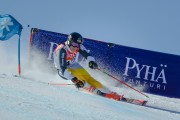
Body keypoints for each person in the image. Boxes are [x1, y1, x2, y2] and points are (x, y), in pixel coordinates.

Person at [53, 32, 123, 101]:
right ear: (69, 42)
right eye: (74, 44)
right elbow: (63, 69)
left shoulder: (78, 46)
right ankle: (97, 92)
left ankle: (110, 93)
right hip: (62, 70)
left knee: (89, 78)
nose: (76, 47)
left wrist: (91, 62)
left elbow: (87, 55)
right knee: (79, 80)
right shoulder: (62, 50)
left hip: (72, 64)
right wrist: (74, 80)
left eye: (78, 45)